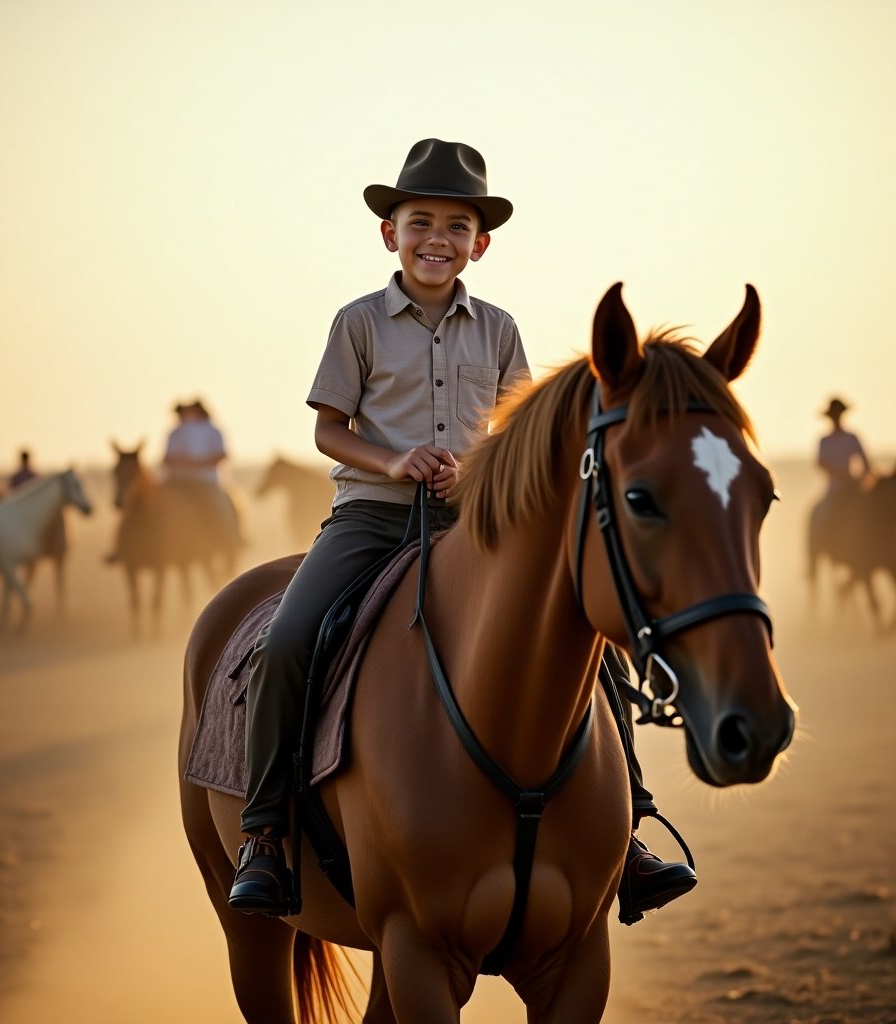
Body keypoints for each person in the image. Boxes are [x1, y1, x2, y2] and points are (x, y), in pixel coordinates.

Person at [228, 138, 696, 924]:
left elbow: (513, 437)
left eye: (455, 225)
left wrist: (473, 469)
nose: (435, 238)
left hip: (474, 521)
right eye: (419, 222)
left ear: (480, 243)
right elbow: (329, 431)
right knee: (288, 640)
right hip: (372, 518)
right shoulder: (360, 323)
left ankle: (631, 830)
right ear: (390, 234)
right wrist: (395, 458)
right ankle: (266, 833)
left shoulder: (501, 330)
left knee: (594, 645)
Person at [162, 398, 242, 550]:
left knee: (222, 505)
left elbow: (222, 455)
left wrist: (200, 463)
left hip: (207, 482)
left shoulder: (212, 430)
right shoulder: (175, 433)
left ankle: (234, 537)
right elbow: (166, 458)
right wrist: (182, 462)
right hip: (177, 483)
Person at [815, 396, 872, 547]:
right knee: (821, 517)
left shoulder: (852, 438)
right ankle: (822, 547)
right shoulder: (825, 440)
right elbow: (821, 463)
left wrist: (861, 477)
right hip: (834, 489)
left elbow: (865, 462)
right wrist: (841, 474)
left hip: (854, 488)